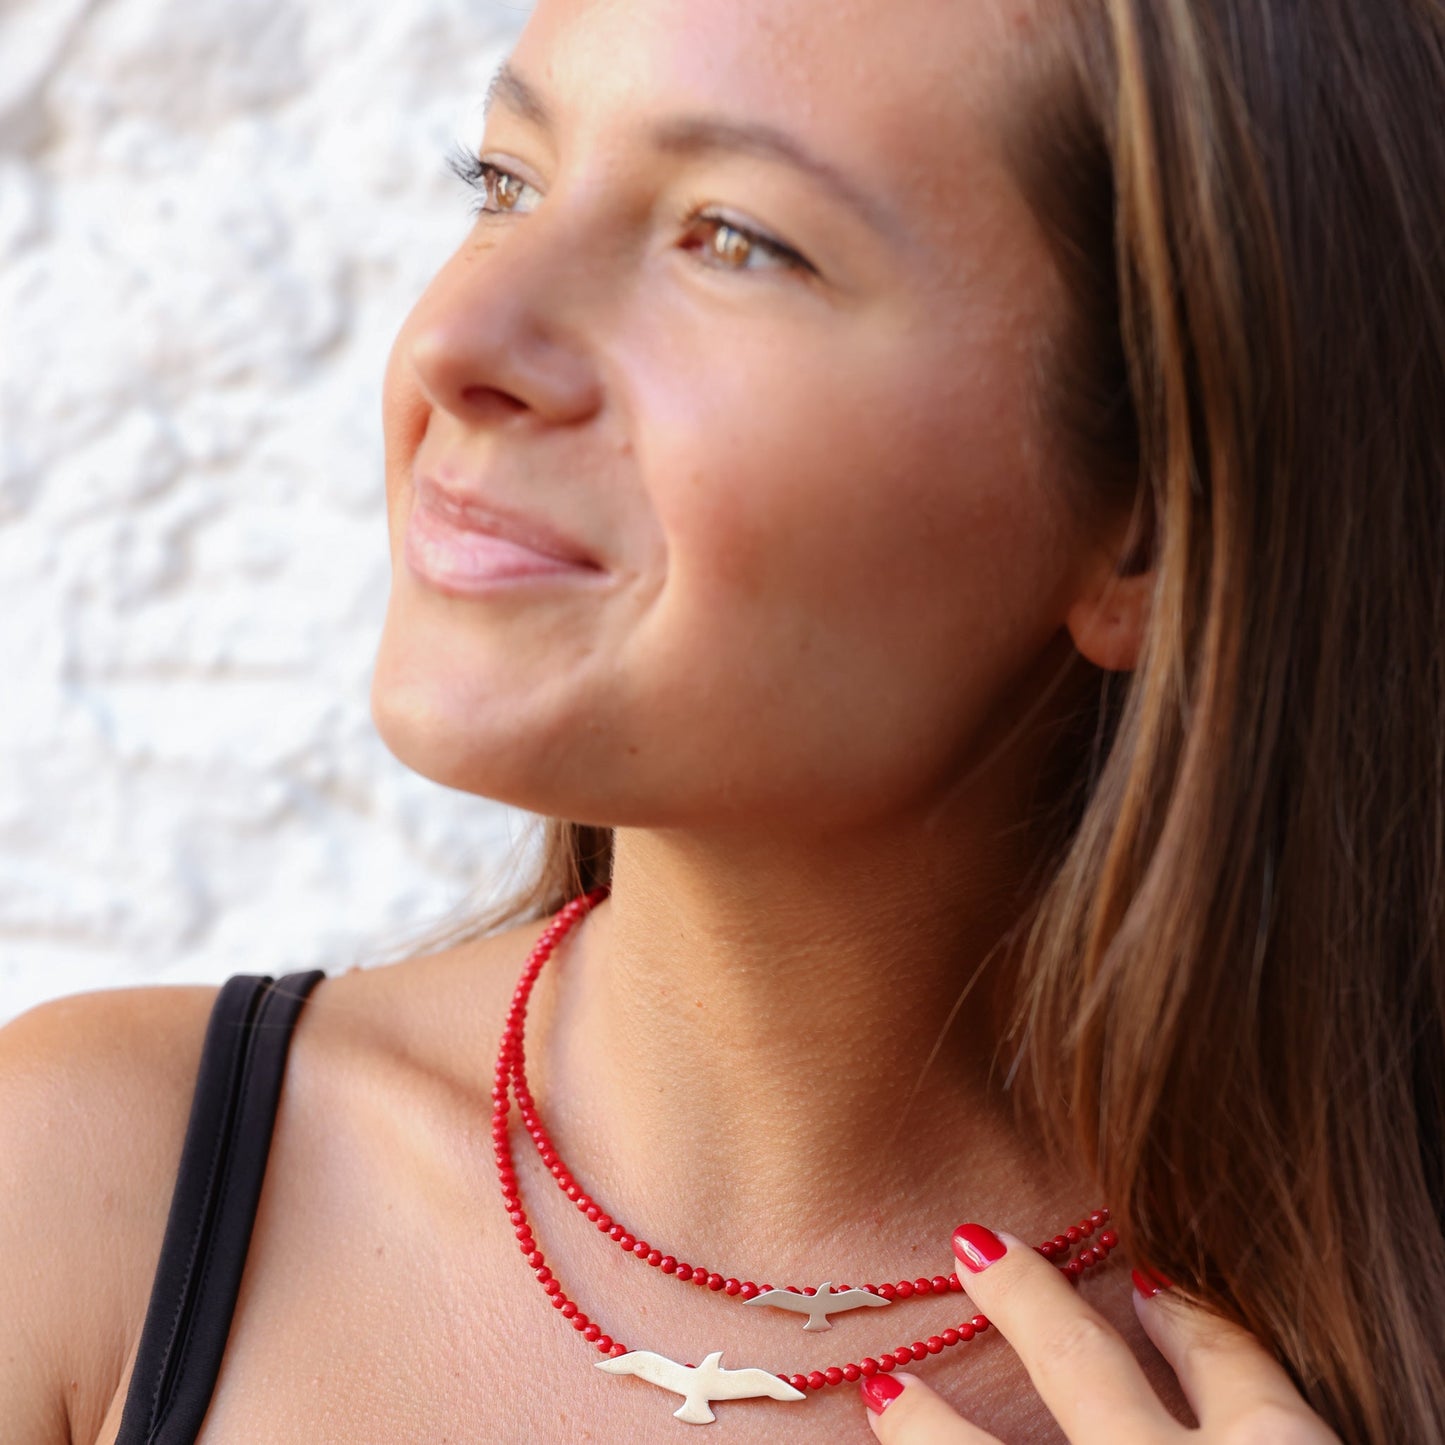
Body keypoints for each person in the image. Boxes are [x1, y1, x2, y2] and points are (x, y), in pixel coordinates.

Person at [3, 0, 1441, 1438]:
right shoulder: (79, 1199)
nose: (456, 341)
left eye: (732, 238)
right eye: (505, 181)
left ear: (1147, 526)